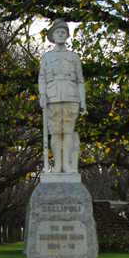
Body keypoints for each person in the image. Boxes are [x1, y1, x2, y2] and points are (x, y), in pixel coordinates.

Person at [38, 19, 86, 173]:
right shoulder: (46, 58)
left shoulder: (74, 57)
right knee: (55, 133)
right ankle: (57, 165)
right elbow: (42, 79)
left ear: (66, 36)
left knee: (68, 132)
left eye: (63, 32)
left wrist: (83, 102)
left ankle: (67, 165)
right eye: (57, 32)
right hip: (52, 98)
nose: (60, 34)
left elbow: (80, 81)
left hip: (71, 97)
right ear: (52, 35)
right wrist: (42, 95)